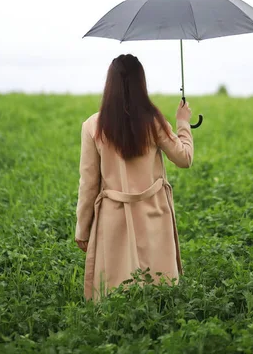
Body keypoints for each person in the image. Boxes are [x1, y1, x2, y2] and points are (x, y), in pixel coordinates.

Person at [74, 53, 194, 302]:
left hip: (113, 217)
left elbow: (88, 184)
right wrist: (183, 123)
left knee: (116, 294)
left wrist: (82, 228)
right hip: (154, 212)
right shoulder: (154, 122)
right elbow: (184, 159)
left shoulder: (92, 126)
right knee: (160, 292)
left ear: (110, 85)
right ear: (141, 83)